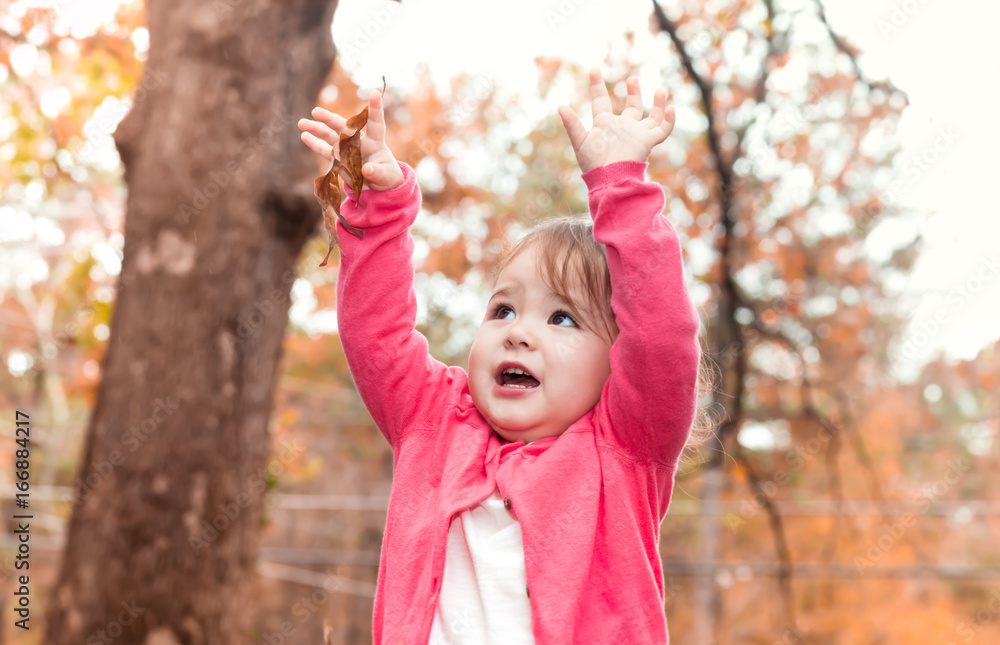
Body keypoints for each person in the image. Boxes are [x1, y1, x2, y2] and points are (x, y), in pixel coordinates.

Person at [297, 68, 714, 645]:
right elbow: (377, 335)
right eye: (502, 311)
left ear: (619, 362)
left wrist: (619, 187)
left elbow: (663, 336)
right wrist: (380, 209)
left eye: (562, 318)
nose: (518, 334)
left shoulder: (624, 449)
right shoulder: (433, 423)